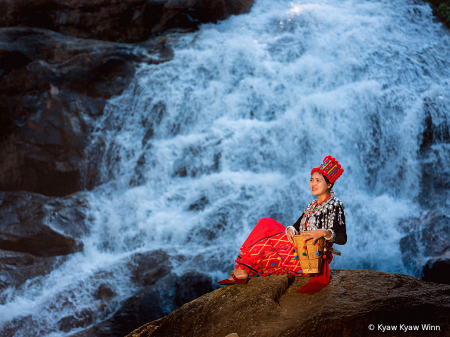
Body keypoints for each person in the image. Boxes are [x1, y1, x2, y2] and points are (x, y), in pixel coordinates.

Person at [217, 156, 347, 294]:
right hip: (299, 249)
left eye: (318, 181)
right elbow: (296, 226)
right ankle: (242, 270)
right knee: (266, 222)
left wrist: (324, 233)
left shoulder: (335, 205)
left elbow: (342, 238)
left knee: (266, 224)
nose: (313, 184)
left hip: (309, 260)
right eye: (311, 180)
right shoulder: (312, 205)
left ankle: (240, 270)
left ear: (329, 185)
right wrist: (291, 229)